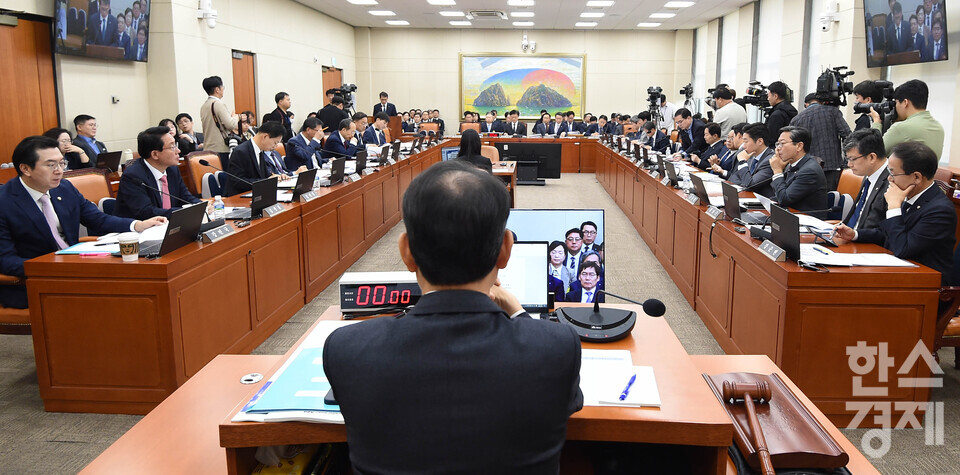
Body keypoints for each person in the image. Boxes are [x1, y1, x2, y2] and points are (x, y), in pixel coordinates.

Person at [322, 160, 583, 474]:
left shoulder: (347, 348)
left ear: (406, 252)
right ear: (506, 249)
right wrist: (518, 313)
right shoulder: (557, 347)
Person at [0, 136, 166, 309]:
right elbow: (5, 259)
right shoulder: (4, 202)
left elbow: (98, 219)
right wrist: (54, 269)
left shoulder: (64, 188)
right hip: (33, 284)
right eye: (51, 165)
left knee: (137, 284)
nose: (59, 171)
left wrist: (137, 225)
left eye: (61, 163)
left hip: (74, 269)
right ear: (26, 169)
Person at [834, 142, 955, 284]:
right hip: (898, 274)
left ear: (916, 177)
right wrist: (855, 234)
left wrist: (894, 207)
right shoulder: (909, 195)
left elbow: (902, 248)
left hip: (925, 284)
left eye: (892, 173)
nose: (889, 179)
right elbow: (888, 234)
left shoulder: (940, 211)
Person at [115, 126, 204, 220]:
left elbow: (185, 197)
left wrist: (201, 206)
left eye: (176, 145)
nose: (178, 151)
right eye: (172, 147)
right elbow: (146, 212)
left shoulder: (172, 169)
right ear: (155, 154)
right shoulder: (133, 176)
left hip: (168, 224)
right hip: (141, 226)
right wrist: (184, 212)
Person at [789, 94, 851, 191]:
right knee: (830, 196)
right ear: (822, 102)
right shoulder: (832, 112)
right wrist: (847, 161)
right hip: (832, 166)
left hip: (807, 167)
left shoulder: (796, 119)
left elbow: (792, 144)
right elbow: (847, 135)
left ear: (806, 104)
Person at [869, 79, 944, 159]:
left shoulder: (901, 127)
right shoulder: (939, 127)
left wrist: (876, 122)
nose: (896, 107)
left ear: (905, 102)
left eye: (896, 103)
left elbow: (873, 153)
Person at [836, 129, 891, 235]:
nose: (849, 164)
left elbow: (886, 232)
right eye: (848, 159)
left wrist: (855, 235)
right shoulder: (868, 174)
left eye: (852, 159)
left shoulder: (893, 182)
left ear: (872, 157)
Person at [768, 126, 828, 216]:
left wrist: (777, 171)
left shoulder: (809, 170)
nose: (777, 148)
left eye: (782, 143)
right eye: (777, 144)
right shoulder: (794, 164)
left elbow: (784, 199)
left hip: (806, 220)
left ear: (799, 146)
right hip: (790, 215)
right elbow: (780, 194)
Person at [223, 121, 288, 196]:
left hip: (257, 194)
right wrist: (265, 181)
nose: (275, 147)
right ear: (265, 137)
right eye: (275, 143)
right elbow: (238, 181)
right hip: (239, 196)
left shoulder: (261, 150)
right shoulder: (240, 152)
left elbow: (263, 176)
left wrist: (276, 177)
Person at [200, 76, 240, 168]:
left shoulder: (204, 106)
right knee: (223, 174)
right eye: (222, 87)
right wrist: (237, 117)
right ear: (217, 89)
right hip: (220, 148)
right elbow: (230, 125)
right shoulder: (218, 104)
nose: (223, 90)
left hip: (208, 148)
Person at [729, 122, 775, 198]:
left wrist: (742, 162)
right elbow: (734, 178)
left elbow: (750, 185)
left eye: (746, 141)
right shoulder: (750, 156)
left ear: (760, 141)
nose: (743, 146)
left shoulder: (770, 160)